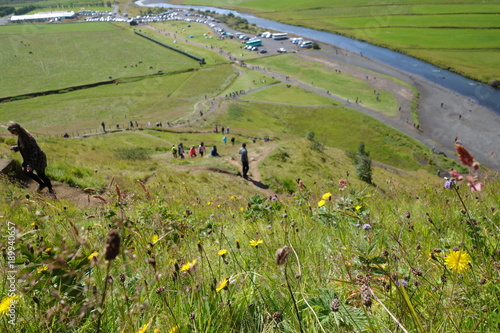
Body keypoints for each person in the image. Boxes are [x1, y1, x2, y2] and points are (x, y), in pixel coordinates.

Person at [6, 122, 55, 194]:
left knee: (41, 175)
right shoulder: (21, 135)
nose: (12, 134)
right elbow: (25, 147)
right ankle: (42, 184)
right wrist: (16, 148)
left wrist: (30, 165)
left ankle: (51, 190)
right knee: (27, 172)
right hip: (32, 159)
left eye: (12, 132)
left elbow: (34, 151)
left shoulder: (25, 137)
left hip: (38, 158)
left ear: (16, 129)